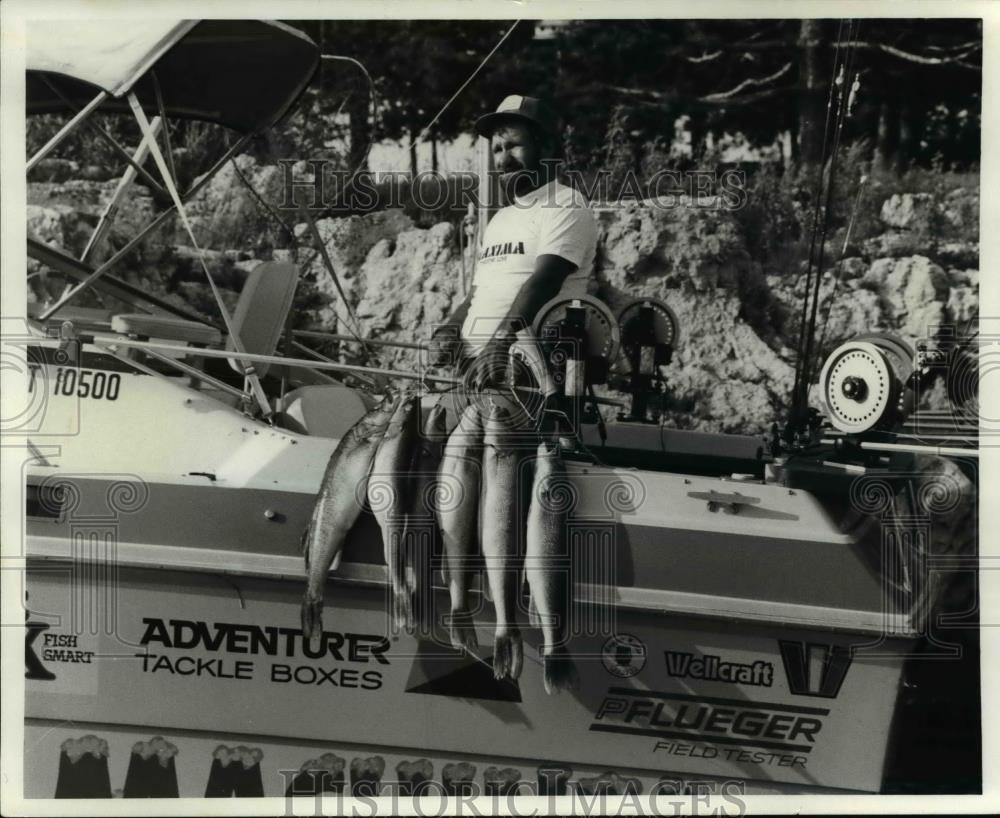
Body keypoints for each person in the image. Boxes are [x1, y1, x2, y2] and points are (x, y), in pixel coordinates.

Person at [430, 95, 598, 399]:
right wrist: (450, 329)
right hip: (475, 369)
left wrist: (499, 345)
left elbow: (543, 283)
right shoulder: (500, 220)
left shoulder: (565, 203)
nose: (503, 159)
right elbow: (477, 294)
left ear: (546, 147)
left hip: (526, 373)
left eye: (514, 146)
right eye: (497, 149)